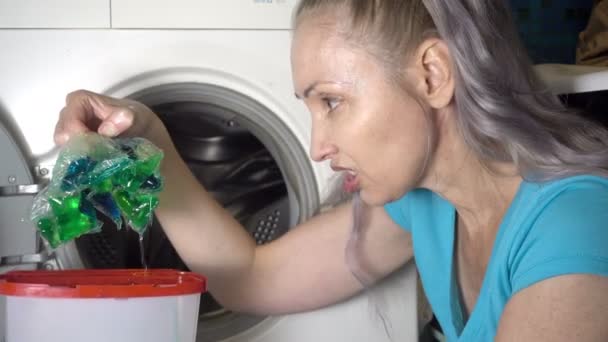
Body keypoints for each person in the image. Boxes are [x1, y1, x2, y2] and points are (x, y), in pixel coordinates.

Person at [53, 0, 608, 340]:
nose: (318, 146)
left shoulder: (574, 229)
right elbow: (250, 278)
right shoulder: (428, 203)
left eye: (333, 102)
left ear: (433, 74)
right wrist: (151, 143)